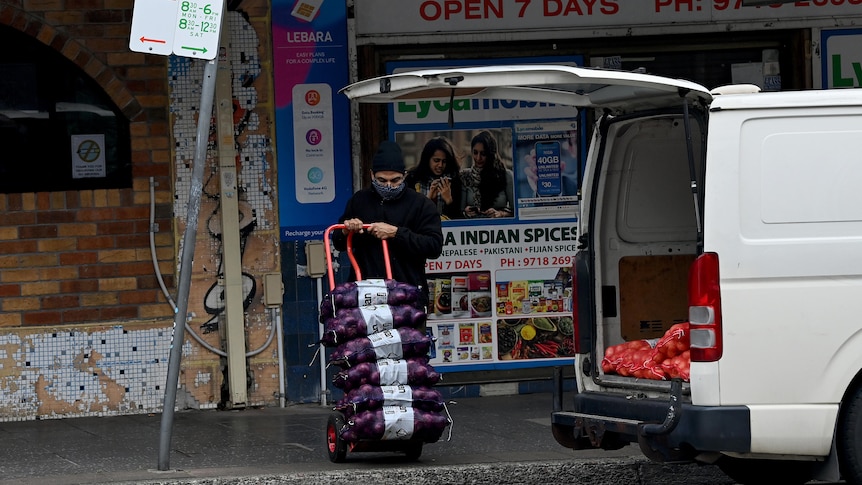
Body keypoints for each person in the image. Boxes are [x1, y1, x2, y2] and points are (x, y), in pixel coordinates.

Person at [333, 140, 444, 310]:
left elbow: (434, 246)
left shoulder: (421, 204)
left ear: (405, 175)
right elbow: (338, 243)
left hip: (408, 296)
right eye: (382, 180)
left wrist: (396, 233)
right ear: (372, 175)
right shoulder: (359, 201)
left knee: (409, 337)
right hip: (366, 298)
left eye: (396, 180)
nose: (389, 186)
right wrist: (347, 230)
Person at [405, 136, 463, 220]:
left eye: (444, 161)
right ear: (427, 159)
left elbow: (458, 219)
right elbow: (409, 214)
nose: (440, 165)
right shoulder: (412, 179)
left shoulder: (454, 181)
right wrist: (428, 199)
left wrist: (449, 201)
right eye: (436, 160)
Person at [460, 130, 514, 218]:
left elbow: (516, 212)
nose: (478, 158)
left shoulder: (506, 176)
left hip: (498, 228)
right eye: (475, 152)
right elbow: (460, 212)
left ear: (491, 154)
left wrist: (500, 214)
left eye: (483, 153)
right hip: (473, 228)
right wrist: (466, 212)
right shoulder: (465, 176)